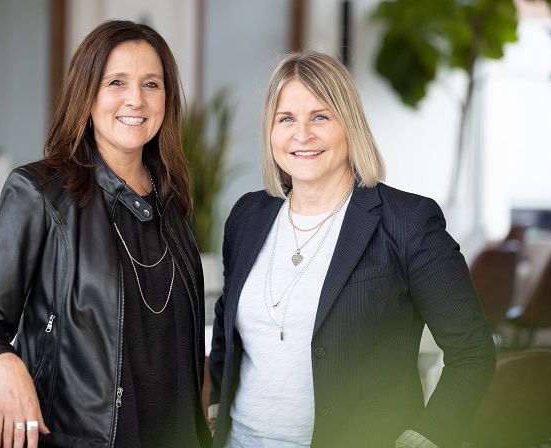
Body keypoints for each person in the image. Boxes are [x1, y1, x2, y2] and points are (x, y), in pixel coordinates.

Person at [207, 50, 497, 448]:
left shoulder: (408, 221)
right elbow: (227, 321)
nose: (302, 134)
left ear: (350, 124)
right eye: (286, 118)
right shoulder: (247, 215)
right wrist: (216, 404)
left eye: (320, 117)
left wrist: (429, 436)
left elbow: (472, 351)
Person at [0, 20, 211, 448]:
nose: (136, 99)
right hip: (83, 438)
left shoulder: (172, 198)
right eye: (116, 82)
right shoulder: (40, 193)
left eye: (151, 84)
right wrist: (9, 366)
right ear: (86, 94)